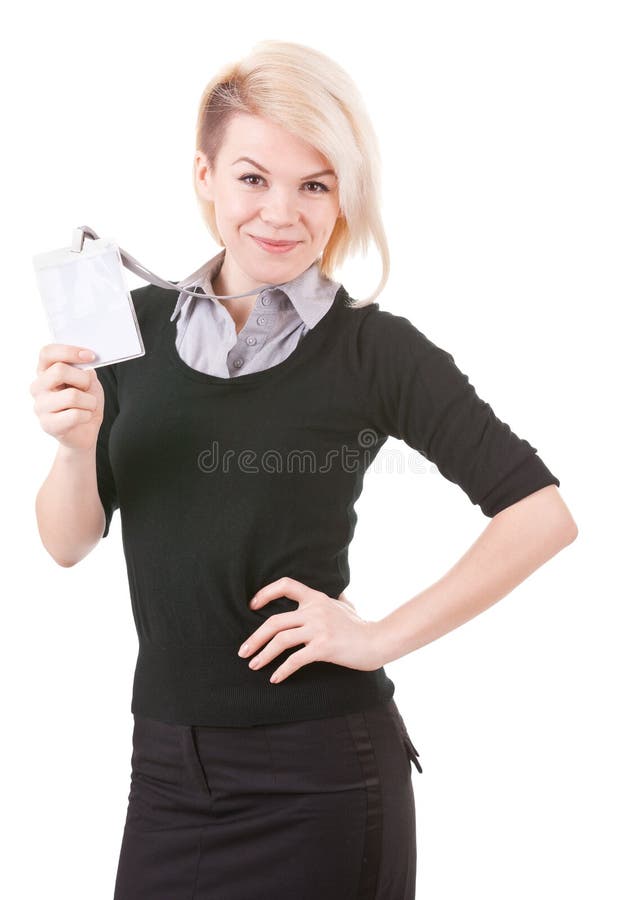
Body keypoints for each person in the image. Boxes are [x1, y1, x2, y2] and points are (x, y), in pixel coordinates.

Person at [31, 39, 578, 900]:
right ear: (206, 176)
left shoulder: (372, 350)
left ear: (344, 198)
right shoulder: (128, 328)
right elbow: (67, 544)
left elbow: (540, 513)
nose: (281, 212)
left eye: (315, 184)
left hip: (322, 778)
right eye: (253, 178)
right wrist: (73, 448)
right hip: (167, 774)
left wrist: (376, 637)